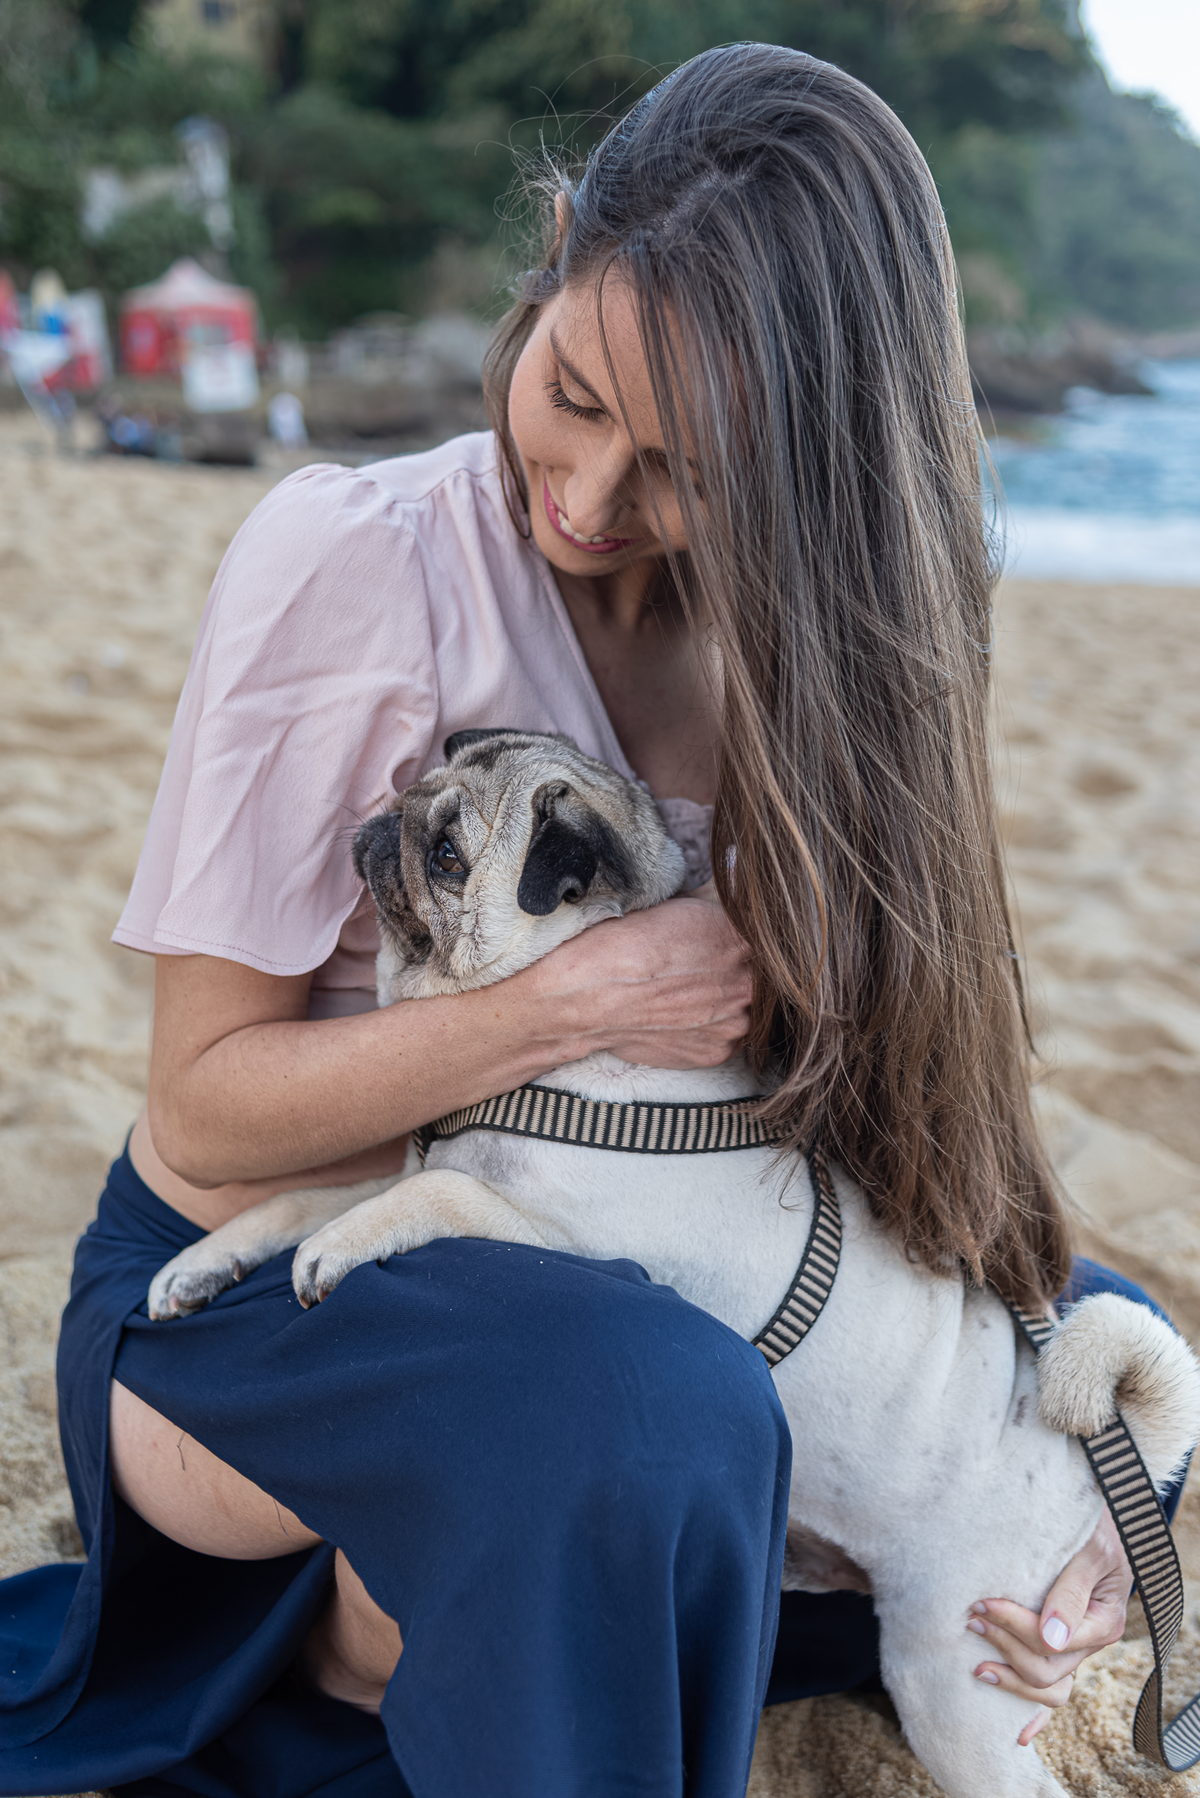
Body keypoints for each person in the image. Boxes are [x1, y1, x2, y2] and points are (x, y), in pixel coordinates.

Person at [0, 42, 1180, 1798]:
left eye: (689, 462)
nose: (594, 495)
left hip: (649, 1262)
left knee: (1088, 1337)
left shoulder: (824, 664)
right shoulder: (356, 560)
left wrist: (1119, 1484)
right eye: (574, 389)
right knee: (653, 1404)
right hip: (261, 1323)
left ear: (815, 467)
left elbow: (914, 1137)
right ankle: (345, 1624)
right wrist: (571, 1005)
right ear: (550, 257)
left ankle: (482, 1602)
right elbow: (205, 1108)